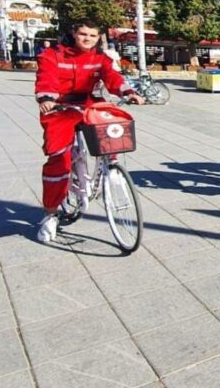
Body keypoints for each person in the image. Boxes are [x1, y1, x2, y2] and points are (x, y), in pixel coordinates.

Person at [34, 24, 144, 243]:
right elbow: (47, 77)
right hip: (60, 107)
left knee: (112, 127)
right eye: (83, 34)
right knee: (59, 158)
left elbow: (112, 76)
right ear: (74, 33)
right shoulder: (52, 55)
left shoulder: (100, 58)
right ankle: (51, 213)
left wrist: (129, 92)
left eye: (92, 35)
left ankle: (111, 166)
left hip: (87, 105)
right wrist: (46, 98)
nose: (87, 38)